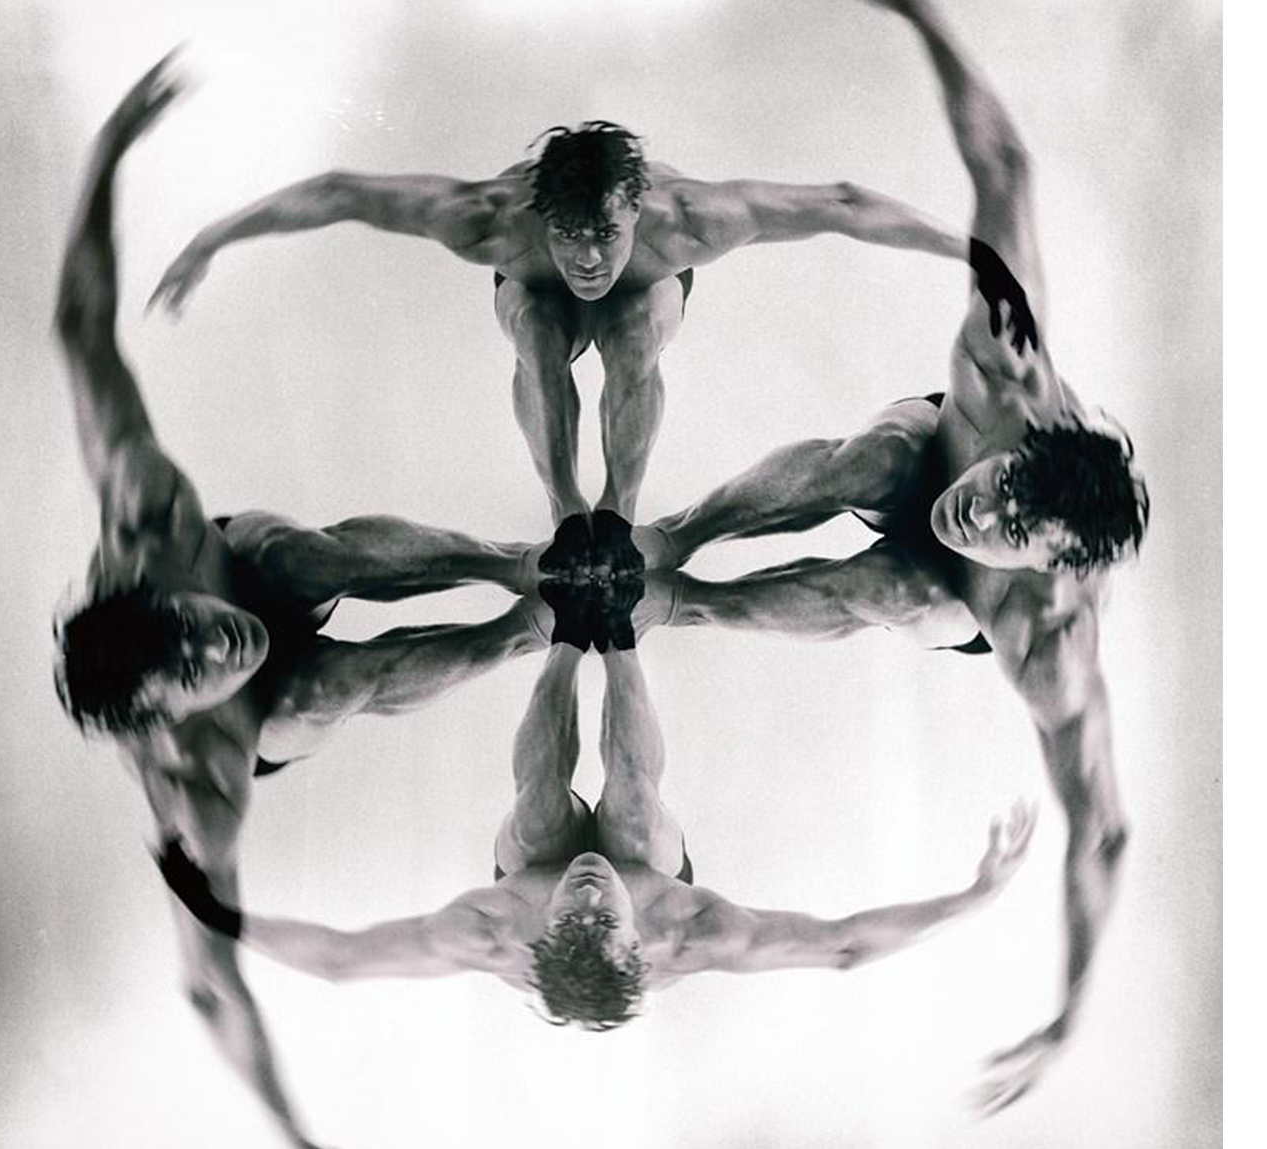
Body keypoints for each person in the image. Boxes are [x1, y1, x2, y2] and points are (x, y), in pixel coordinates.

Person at [632, 0, 1150, 1112]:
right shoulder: (1006, 367)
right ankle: (674, 543)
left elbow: (1102, 829)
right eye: (999, 490)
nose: (979, 517)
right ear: (1022, 442)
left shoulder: (1045, 639)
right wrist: (921, 15)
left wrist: (1070, 1006)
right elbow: (1005, 162)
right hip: (920, 442)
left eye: (1009, 533)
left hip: (948, 606)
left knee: (882, 590)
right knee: (862, 466)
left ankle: (682, 605)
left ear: (1046, 568)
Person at [52, 56, 561, 1147]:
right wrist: (294, 1134)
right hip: (274, 721)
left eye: (189, 629)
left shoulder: (146, 517)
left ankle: (513, 565)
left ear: (158, 590)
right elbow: (210, 989)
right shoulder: (198, 791)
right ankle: (527, 624)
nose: (219, 646)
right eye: (194, 672)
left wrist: (106, 151)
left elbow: (80, 330)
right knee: (336, 684)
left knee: (309, 565)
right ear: (173, 718)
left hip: (245, 554)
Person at [147, 100, 1037, 534]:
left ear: (636, 209)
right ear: (538, 217)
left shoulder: (689, 219)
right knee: (538, 337)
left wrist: (972, 253)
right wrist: (211, 238)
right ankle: (568, 510)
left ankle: (616, 511)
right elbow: (339, 190)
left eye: (604, 236)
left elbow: (841, 202)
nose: (585, 260)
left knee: (632, 335)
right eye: (568, 238)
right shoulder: (487, 220)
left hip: (654, 290)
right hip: (526, 295)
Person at [160, 642, 1036, 1031]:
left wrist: (219, 913)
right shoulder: (689, 931)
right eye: (601, 909)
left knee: (541, 813)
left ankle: (559, 639)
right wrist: (973, 895)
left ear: (539, 933)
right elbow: (840, 947)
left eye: (569, 910)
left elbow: (344, 960)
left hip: (524, 857)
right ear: (637, 940)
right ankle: (616, 634)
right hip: (654, 856)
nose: (584, 888)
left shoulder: (494, 930)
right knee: (632, 811)